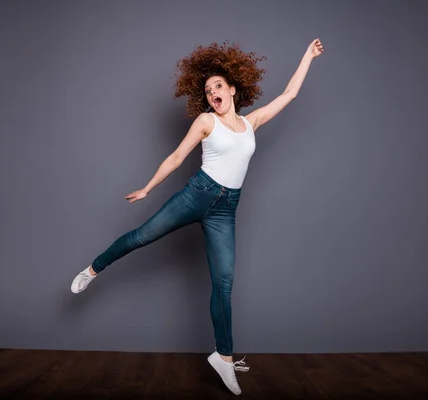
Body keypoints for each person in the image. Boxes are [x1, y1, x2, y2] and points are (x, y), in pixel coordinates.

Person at [71, 38, 324, 396]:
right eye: (207, 90)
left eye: (218, 86)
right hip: (196, 195)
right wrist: (148, 187)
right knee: (142, 236)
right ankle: (93, 269)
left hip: (226, 209)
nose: (212, 93)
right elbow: (177, 157)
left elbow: (288, 95)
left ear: (233, 90)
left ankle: (223, 356)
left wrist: (307, 57)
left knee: (223, 284)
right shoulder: (207, 120)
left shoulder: (252, 123)